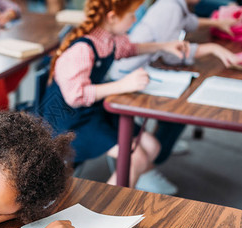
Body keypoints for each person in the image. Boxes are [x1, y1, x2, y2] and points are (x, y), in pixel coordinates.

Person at [38, 0, 190, 189]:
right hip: (67, 121)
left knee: (152, 146)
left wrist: (165, 46)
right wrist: (123, 85)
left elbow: (132, 48)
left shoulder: (108, 39)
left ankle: (133, 181)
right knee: (136, 156)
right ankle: (109, 208)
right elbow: (75, 96)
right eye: (132, 15)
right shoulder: (83, 49)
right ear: (112, 17)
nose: (135, 20)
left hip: (91, 111)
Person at [107, 0, 241, 194]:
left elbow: (189, 22)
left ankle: (153, 150)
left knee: (187, 91)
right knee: (184, 103)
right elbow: (173, 55)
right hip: (129, 76)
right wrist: (212, 48)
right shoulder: (170, 8)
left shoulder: (175, 5)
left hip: (143, 69)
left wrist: (217, 24)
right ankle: (151, 161)